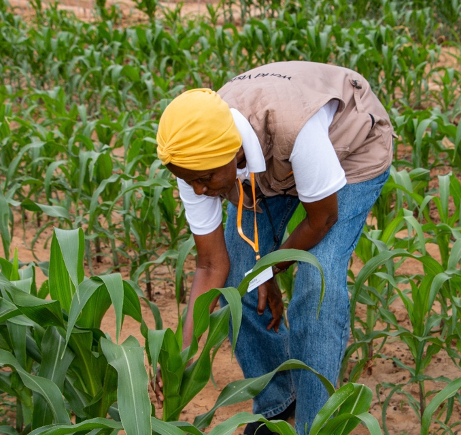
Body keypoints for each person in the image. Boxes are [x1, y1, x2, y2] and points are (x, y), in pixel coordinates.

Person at [155, 61, 394, 434]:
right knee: (238, 275)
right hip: (269, 165)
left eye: (203, 181)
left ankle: (314, 427)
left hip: (350, 151)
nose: (199, 191)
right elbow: (209, 265)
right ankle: (276, 401)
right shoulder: (194, 157)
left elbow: (321, 220)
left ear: (232, 153)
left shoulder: (293, 130)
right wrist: (181, 351)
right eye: (190, 182)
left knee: (318, 280)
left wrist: (269, 268)